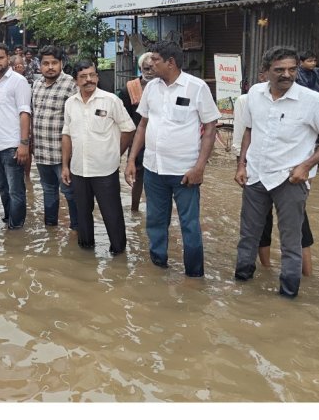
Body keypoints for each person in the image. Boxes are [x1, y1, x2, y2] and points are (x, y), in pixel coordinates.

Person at [234, 46, 319, 298]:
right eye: (279, 70)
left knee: (291, 242)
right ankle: (241, 286)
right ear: (265, 72)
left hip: (290, 179)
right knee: (248, 236)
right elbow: (249, 130)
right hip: (256, 175)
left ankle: (288, 294)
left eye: (292, 69)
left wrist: (305, 166)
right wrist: (241, 164)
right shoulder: (254, 94)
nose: (287, 74)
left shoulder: (313, 101)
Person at [124, 40, 220, 277]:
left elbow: (210, 129)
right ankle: (158, 268)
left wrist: (200, 168)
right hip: (154, 169)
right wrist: (131, 160)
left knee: (189, 225)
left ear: (171, 62)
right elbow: (143, 125)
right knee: (155, 222)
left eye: (155, 59)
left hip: (185, 171)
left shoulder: (196, 88)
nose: (150, 63)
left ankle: (195, 276)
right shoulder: (151, 88)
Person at [61, 60, 136, 254]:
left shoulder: (110, 100)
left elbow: (128, 129)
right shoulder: (71, 103)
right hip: (78, 169)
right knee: (83, 214)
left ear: (97, 77)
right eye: (83, 77)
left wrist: (114, 154)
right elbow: (67, 135)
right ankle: (86, 254)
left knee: (112, 214)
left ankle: (118, 254)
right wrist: (65, 166)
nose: (89, 80)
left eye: (92, 75)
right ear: (76, 80)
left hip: (105, 170)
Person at [0, 42, 32, 229]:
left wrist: (24, 144)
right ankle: (8, 219)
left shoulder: (18, 81)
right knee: (2, 188)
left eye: (1, 58)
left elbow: (25, 113)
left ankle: (16, 228)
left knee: (16, 191)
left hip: (12, 146)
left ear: (8, 59)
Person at [31, 46, 78, 229]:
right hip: (42, 152)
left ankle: (76, 229)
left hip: (62, 155)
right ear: (40, 65)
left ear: (61, 64)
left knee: (70, 192)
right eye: (46, 63)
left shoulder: (71, 85)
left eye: (54, 63)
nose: (50, 67)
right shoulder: (36, 85)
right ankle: (50, 229)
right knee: (48, 191)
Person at [117, 52, 155, 212]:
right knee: (137, 175)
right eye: (146, 68)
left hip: (157, 139)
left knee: (155, 178)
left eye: (153, 68)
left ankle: (154, 208)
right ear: (140, 69)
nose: (150, 72)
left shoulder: (163, 87)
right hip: (137, 139)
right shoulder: (129, 88)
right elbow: (123, 117)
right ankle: (134, 210)